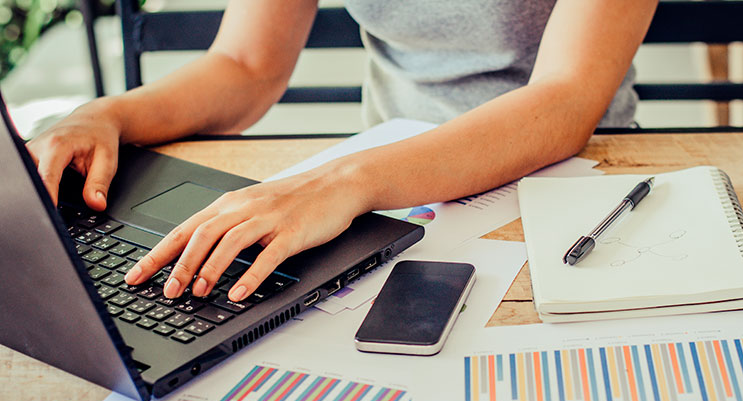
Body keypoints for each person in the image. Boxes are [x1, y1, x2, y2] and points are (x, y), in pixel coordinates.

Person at [26, 0, 658, 303]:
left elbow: (566, 100)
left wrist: (341, 182)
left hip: (576, 183)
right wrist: (107, 113)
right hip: (398, 191)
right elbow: (246, 63)